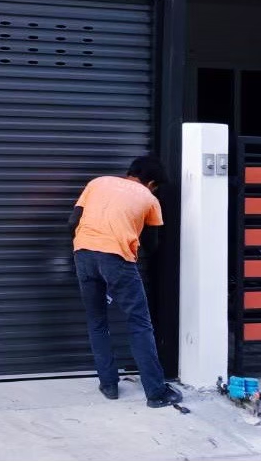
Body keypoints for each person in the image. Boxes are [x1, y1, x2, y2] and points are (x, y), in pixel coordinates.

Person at [67, 154, 183, 408]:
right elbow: (152, 244)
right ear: (151, 183)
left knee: (97, 321)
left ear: (131, 172)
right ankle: (156, 393)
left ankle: (109, 385)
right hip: (116, 258)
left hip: (83, 253)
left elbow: (73, 221)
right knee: (139, 324)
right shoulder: (150, 199)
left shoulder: (97, 183)